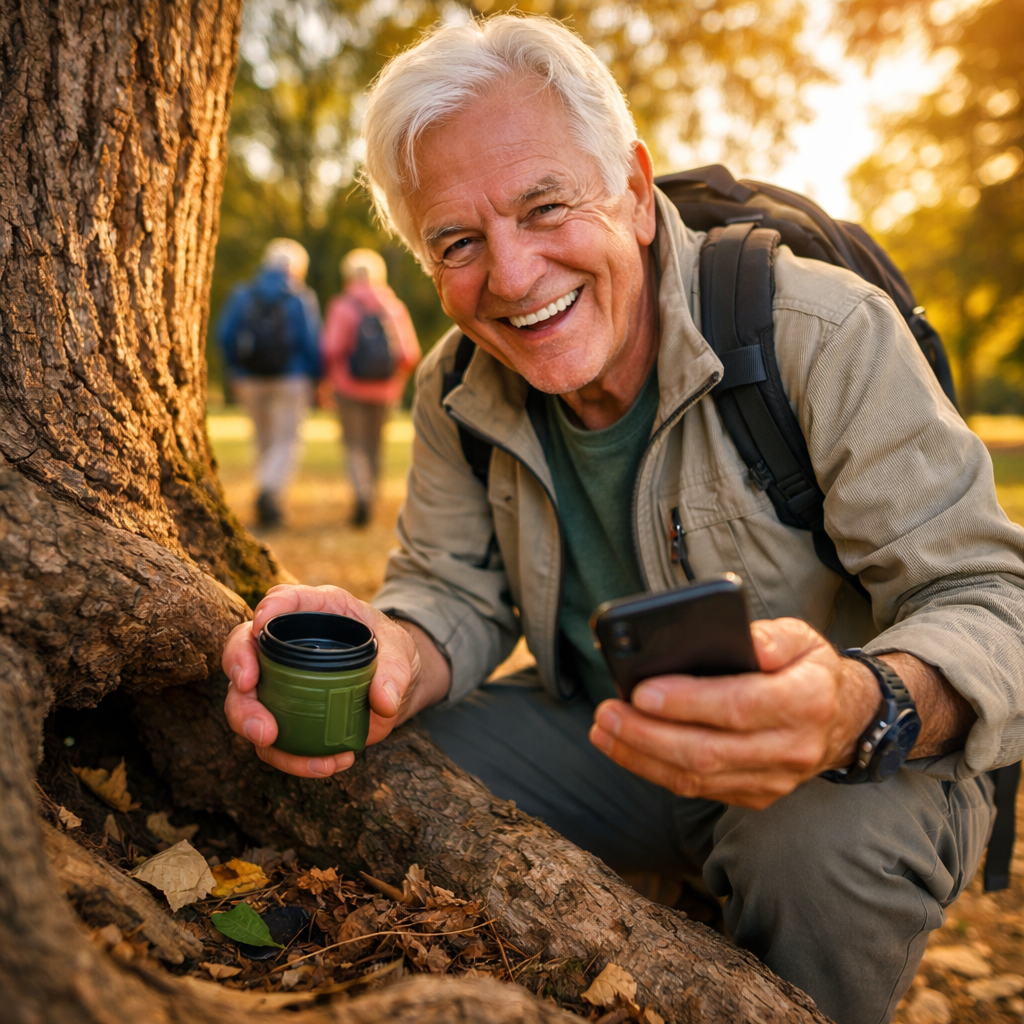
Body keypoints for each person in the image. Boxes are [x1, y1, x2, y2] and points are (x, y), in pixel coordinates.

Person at [221, 16, 1024, 1024]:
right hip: (607, 739)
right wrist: (393, 653)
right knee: (384, 769)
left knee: (820, 848)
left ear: (636, 193)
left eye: (545, 205)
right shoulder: (455, 387)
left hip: (837, 763)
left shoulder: (819, 331)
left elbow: (992, 597)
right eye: (457, 242)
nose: (511, 278)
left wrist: (856, 707)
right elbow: (450, 592)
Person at [217, 238, 322, 527]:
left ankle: (268, 497)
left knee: (264, 439)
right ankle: (269, 492)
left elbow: (224, 334)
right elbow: (311, 342)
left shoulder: (242, 294)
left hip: (250, 379)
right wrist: (317, 378)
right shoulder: (301, 297)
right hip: (291, 378)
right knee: (287, 440)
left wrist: (235, 369)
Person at [321, 249, 421, 526]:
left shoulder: (342, 306)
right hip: (386, 390)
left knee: (354, 444)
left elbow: (331, 348)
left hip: (348, 388)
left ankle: (361, 492)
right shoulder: (393, 306)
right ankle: (371, 497)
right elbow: (409, 353)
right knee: (375, 446)